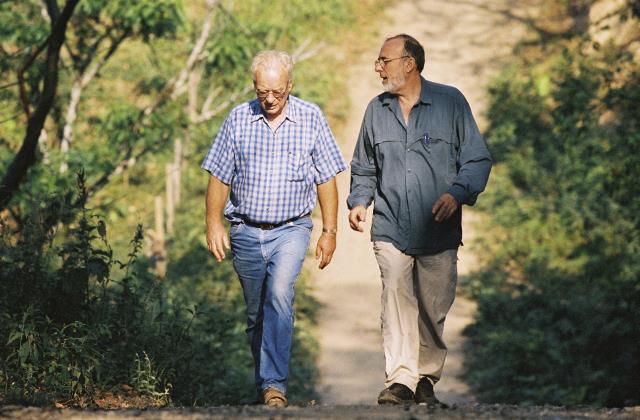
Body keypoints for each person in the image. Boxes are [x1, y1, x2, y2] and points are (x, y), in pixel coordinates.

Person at [347, 34, 492, 406]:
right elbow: (364, 165)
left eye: (384, 61)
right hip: (391, 226)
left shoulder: (450, 102)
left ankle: (425, 379)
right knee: (395, 297)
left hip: (439, 231)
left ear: (408, 63)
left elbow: (477, 159)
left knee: (433, 307)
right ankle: (399, 379)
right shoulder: (376, 110)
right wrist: (360, 200)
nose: (378, 68)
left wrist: (457, 193)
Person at [202, 50, 346, 407]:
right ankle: (265, 381)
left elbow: (327, 178)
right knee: (256, 315)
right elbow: (219, 175)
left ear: (290, 86)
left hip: (291, 229)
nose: (269, 99)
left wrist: (330, 231)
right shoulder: (238, 119)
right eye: (261, 92)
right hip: (246, 231)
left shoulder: (311, 118)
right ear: (254, 87)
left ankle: (274, 386)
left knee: (280, 294)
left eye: (277, 92)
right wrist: (213, 222)